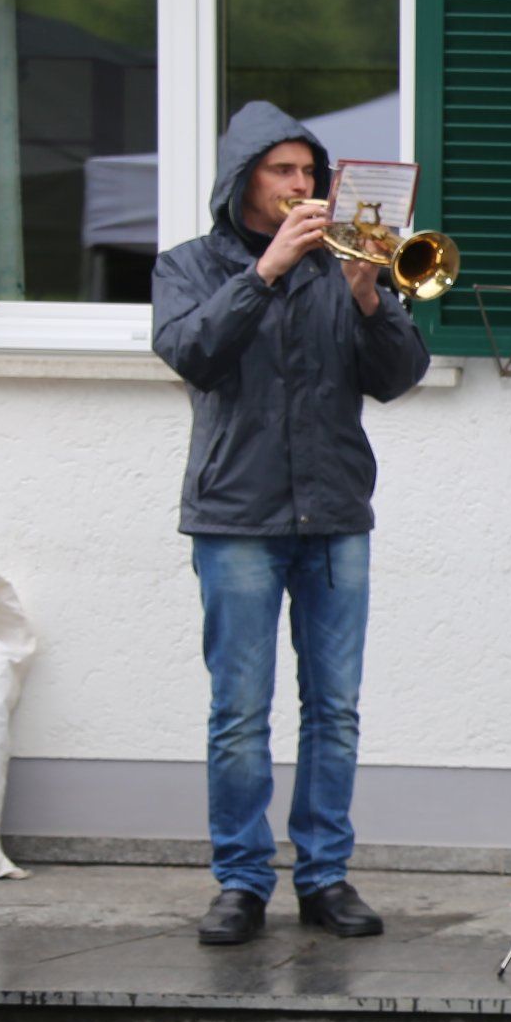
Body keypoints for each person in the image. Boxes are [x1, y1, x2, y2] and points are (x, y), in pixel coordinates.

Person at [151, 102, 430, 945]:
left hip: (335, 513)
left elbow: (399, 377)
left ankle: (324, 877)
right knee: (240, 712)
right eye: (283, 171)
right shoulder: (188, 266)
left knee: (334, 709)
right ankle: (240, 882)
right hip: (236, 515)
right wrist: (266, 271)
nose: (302, 184)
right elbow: (191, 353)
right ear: (243, 180)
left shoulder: (344, 265)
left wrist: (368, 296)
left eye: (310, 172)